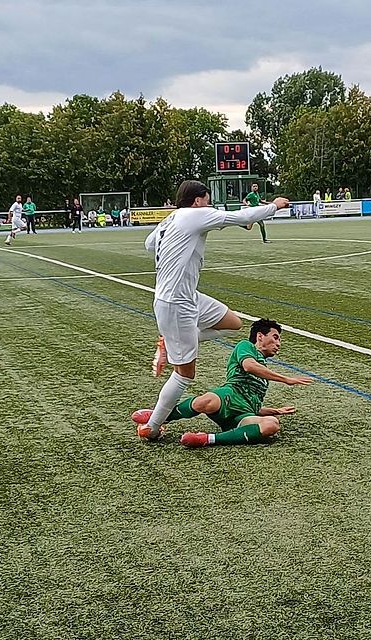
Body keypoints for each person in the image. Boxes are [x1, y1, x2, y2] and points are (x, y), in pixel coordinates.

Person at [138, 179, 289, 441]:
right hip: (175, 303)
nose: (208, 205)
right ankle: (152, 428)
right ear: (197, 200)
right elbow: (238, 215)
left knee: (233, 322)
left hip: (188, 297)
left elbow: (150, 244)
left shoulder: (171, 219)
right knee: (184, 375)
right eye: (206, 200)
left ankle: (169, 343)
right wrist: (273, 206)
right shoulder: (195, 215)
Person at [132, 318, 312, 446]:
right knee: (206, 401)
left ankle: (206, 439)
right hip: (228, 398)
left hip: (241, 415)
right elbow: (249, 366)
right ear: (259, 336)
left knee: (271, 425)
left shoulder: (263, 369)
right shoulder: (246, 347)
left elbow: (252, 405)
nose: (278, 343)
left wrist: (276, 411)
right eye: (275, 337)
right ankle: (158, 416)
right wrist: (286, 379)